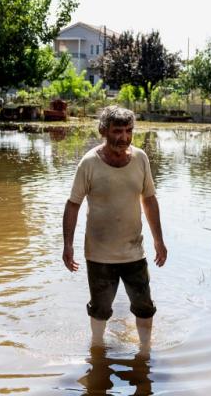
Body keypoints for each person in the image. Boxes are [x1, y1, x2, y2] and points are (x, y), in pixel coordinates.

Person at [62, 105, 167, 353]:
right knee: (100, 308)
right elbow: (73, 204)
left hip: (134, 251)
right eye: (117, 131)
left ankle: (145, 351)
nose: (124, 137)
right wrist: (68, 245)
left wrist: (158, 240)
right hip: (99, 254)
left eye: (128, 131)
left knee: (144, 305)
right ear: (103, 131)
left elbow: (149, 199)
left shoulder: (140, 158)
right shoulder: (89, 163)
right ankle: (97, 350)